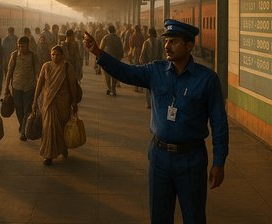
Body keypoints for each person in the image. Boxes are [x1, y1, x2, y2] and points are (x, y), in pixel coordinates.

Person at [83, 19, 228, 224]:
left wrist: (219, 162)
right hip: (159, 158)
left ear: (189, 46)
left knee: (194, 217)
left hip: (191, 159)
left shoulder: (207, 80)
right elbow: (127, 72)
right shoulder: (156, 71)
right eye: (166, 41)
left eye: (174, 41)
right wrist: (98, 52)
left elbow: (219, 123)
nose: (167, 46)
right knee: (159, 217)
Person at [32, 45, 79, 165]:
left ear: (62, 56)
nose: (55, 56)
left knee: (62, 127)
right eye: (53, 54)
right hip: (48, 102)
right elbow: (39, 83)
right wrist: (34, 100)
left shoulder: (67, 67)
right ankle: (48, 155)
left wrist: (74, 102)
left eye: (57, 54)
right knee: (48, 128)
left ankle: (63, 148)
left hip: (63, 102)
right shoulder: (46, 66)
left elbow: (73, 86)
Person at [3, 35, 40, 141]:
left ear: (28, 46)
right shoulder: (14, 55)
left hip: (30, 87)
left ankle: (23, 132)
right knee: (18, 109)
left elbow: (38, 73)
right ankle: (22, 124)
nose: (21, 48)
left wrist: (40, 87)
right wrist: (6, 88)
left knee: (26, 110)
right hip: (16, 86)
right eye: (19, 46)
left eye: (23, 46)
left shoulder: (34, 56)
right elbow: (9, 72)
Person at [139, 28, 165, 109]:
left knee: (148, 86)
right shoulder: (159, 42)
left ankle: (149, 104)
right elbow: (163, 55)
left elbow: (142, 56)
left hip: (148, 67)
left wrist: (142, 64)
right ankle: (156, 102)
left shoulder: (146, 42)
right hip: (158, 67)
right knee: (157, 85)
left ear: (149, 33)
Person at [99, 25, 124, 96]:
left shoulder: (105, 38)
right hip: (116, 59)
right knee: (115, 74)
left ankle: (109, 88)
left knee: (107, 74)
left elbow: (101, 49)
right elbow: (121, 48)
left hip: (108, 59)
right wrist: (120, 57)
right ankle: (113, 89)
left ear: (108, 31)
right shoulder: (118, 38)